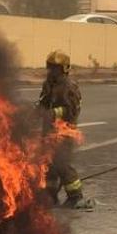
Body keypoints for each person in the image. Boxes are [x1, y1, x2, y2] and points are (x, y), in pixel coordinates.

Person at [38, 50, 86, 207]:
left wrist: (53, 113)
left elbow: (71, 110)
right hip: (49, 130)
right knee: (49, 163)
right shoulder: (48, 84)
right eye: (50, 67)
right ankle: (50, 195)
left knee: (62, 163)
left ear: (64, 69)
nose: (52, 71)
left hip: (65, 130)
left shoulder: (69, 86)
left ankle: (75, 195)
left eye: (56, 68)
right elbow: (44, 102)